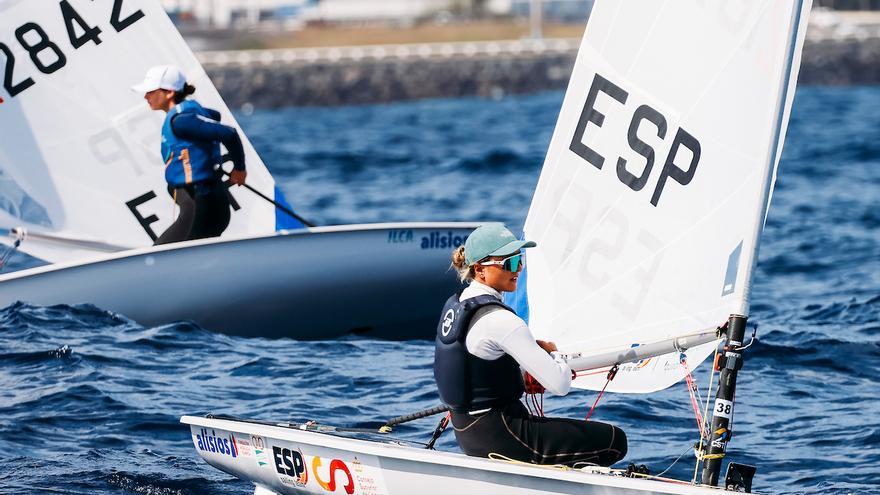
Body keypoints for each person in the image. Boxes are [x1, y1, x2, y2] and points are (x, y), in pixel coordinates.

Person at [434, 223, 627, 467]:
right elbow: (560, 384)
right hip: (504, 435)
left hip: (467, 433)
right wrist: (553, 353)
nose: (519, 269)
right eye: (510, 264)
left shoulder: (456, 305)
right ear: (480, 269)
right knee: (614, 440)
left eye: (520, 260)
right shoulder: (502, 320)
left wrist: (519, 374)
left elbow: (475, 370)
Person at [132, 65, 246, 245]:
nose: (146, 96)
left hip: (202, 204)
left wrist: (240, 169)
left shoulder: (181, 121)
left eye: (150, 91)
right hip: (206, 201)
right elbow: (214, 115)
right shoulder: (186, 114)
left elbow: (229, 134)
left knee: (158, 256)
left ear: (169, 93)